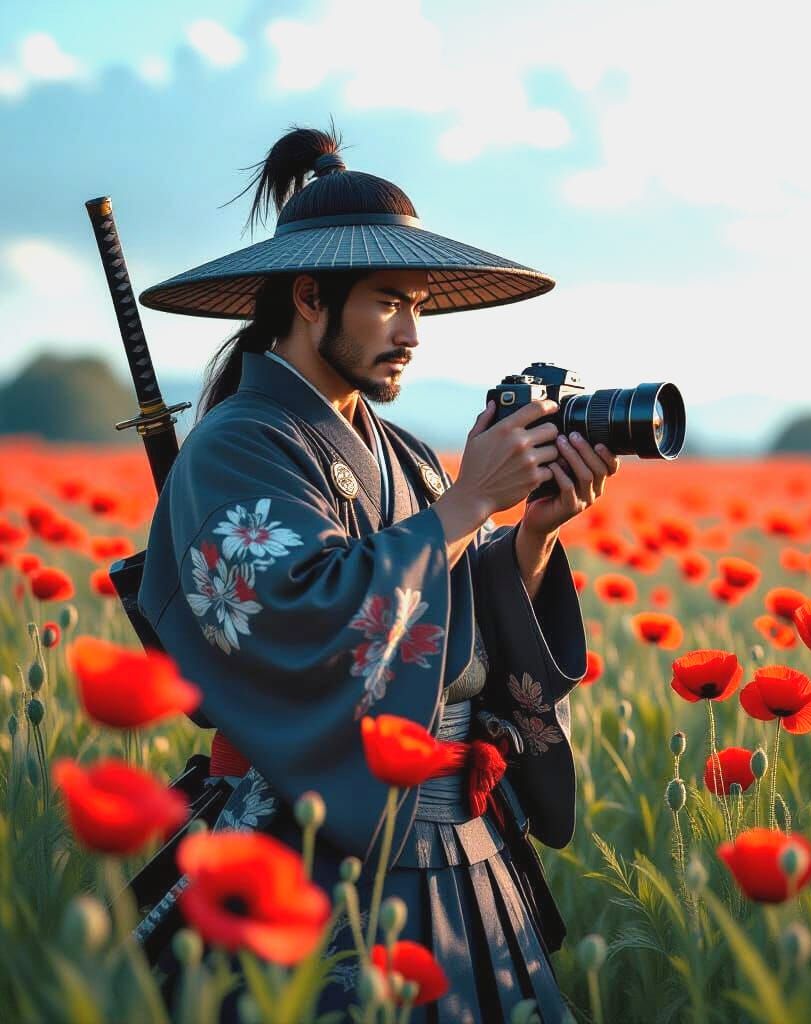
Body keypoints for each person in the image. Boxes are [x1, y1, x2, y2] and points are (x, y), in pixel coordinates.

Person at [130, 125, 620, 1022]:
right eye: (390, 303)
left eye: (419, 306)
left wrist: (530, 538)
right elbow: (297, 612)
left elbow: (455, 624)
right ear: (310, 296)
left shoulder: (407, 456)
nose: (412, 333)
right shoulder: (237, 444)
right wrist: (469, 505)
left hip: (461, 848)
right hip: (312, 840)